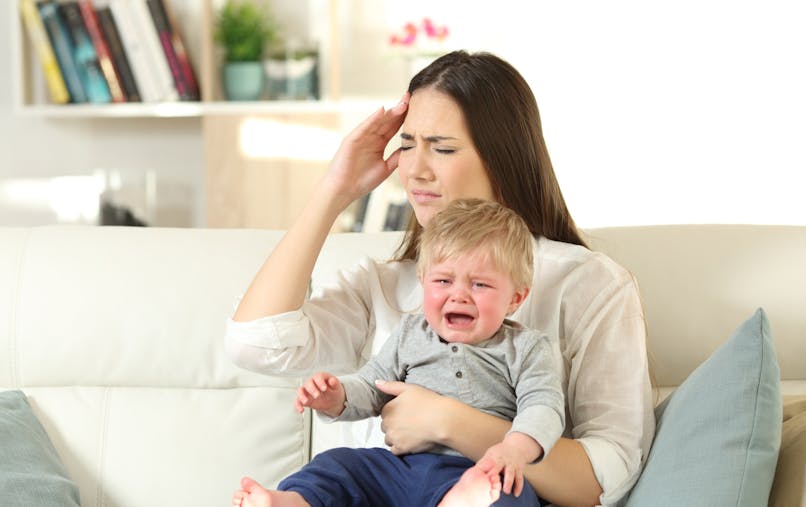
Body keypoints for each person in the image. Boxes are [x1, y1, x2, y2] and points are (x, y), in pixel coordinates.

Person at [226, 50, 655, 506]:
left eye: (443, 148)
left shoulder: (587, 284)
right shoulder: (384, 285)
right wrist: (334, 191)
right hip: (386, 487)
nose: (415, 169)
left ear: (502, 158)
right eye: (407, 144)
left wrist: (451, 422)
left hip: (486, 486)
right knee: (329, 475)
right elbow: (255, 344)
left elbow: (608, 474)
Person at [231, 199, 564, 507]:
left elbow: (543, 408)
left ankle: (463, 499)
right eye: (444, 281)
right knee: (338, 465)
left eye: (480, 285)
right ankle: (292, 502)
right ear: (423, 281)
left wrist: (513, 450)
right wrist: (337, 396)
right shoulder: (409, 334)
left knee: (511, 493)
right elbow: (373, 385)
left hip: (475, 468)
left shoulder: (526, 347)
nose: (459, 295)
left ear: (516, 298)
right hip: (397, 468)